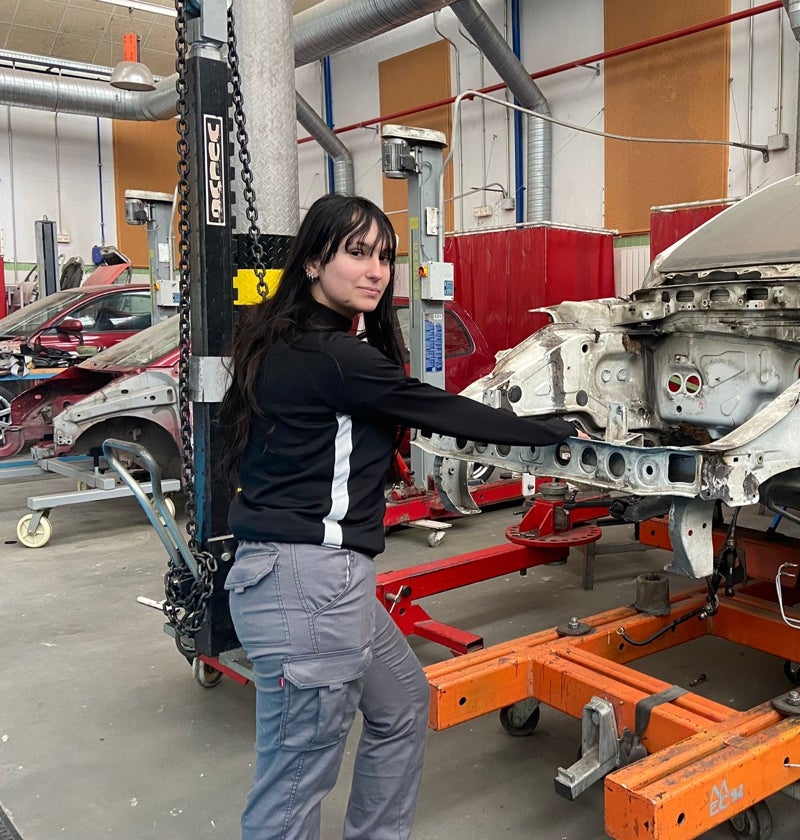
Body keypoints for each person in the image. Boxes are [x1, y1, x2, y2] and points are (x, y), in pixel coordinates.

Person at [217, 194, 577, 840]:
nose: (376, 271)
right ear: (311, 262)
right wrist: (552, 433)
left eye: (384, 256)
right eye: (357, 253)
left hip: (299, 577)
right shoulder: (339, 358)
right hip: (310, 586)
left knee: (402, 700)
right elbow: (439, 411)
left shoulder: (276, 343)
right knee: (294, 781)